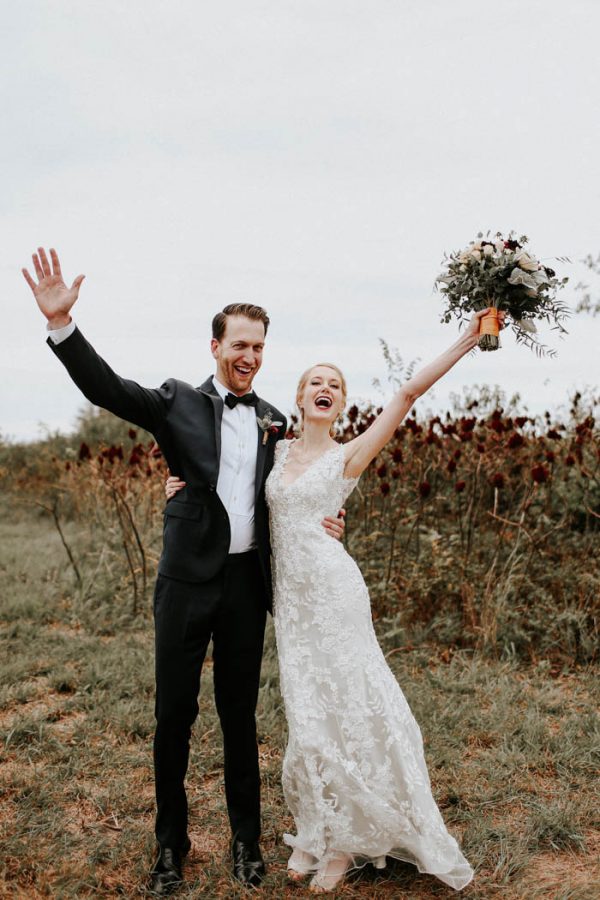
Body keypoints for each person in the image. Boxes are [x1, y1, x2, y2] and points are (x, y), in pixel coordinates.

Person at [21, 247, 346, 897]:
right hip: (184, 584)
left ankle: (247, 844)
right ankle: (170, 847)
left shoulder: (276, 423)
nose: (250, 356)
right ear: (215, 346)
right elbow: (108, 390)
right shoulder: (175, 403)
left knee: (239, 718)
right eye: (240, 344)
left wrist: (329, 525)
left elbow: (300, 488)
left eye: (259, 346)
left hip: (245, 588)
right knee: (174, 717)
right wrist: (63, 326)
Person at [167, 308, 504, 893]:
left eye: (336, 385)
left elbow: (407, 392)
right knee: (308, 713)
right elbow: (218, 472)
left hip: (335, 594)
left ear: (342, 403)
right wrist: (174, 482)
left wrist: (468, 340)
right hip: (291, 603)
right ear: (298, 399)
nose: (326, 389)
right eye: (315, 382)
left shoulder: (348, 455)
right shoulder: (274, 448)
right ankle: (319, 824)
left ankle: (346, 844)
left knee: (349, 704)